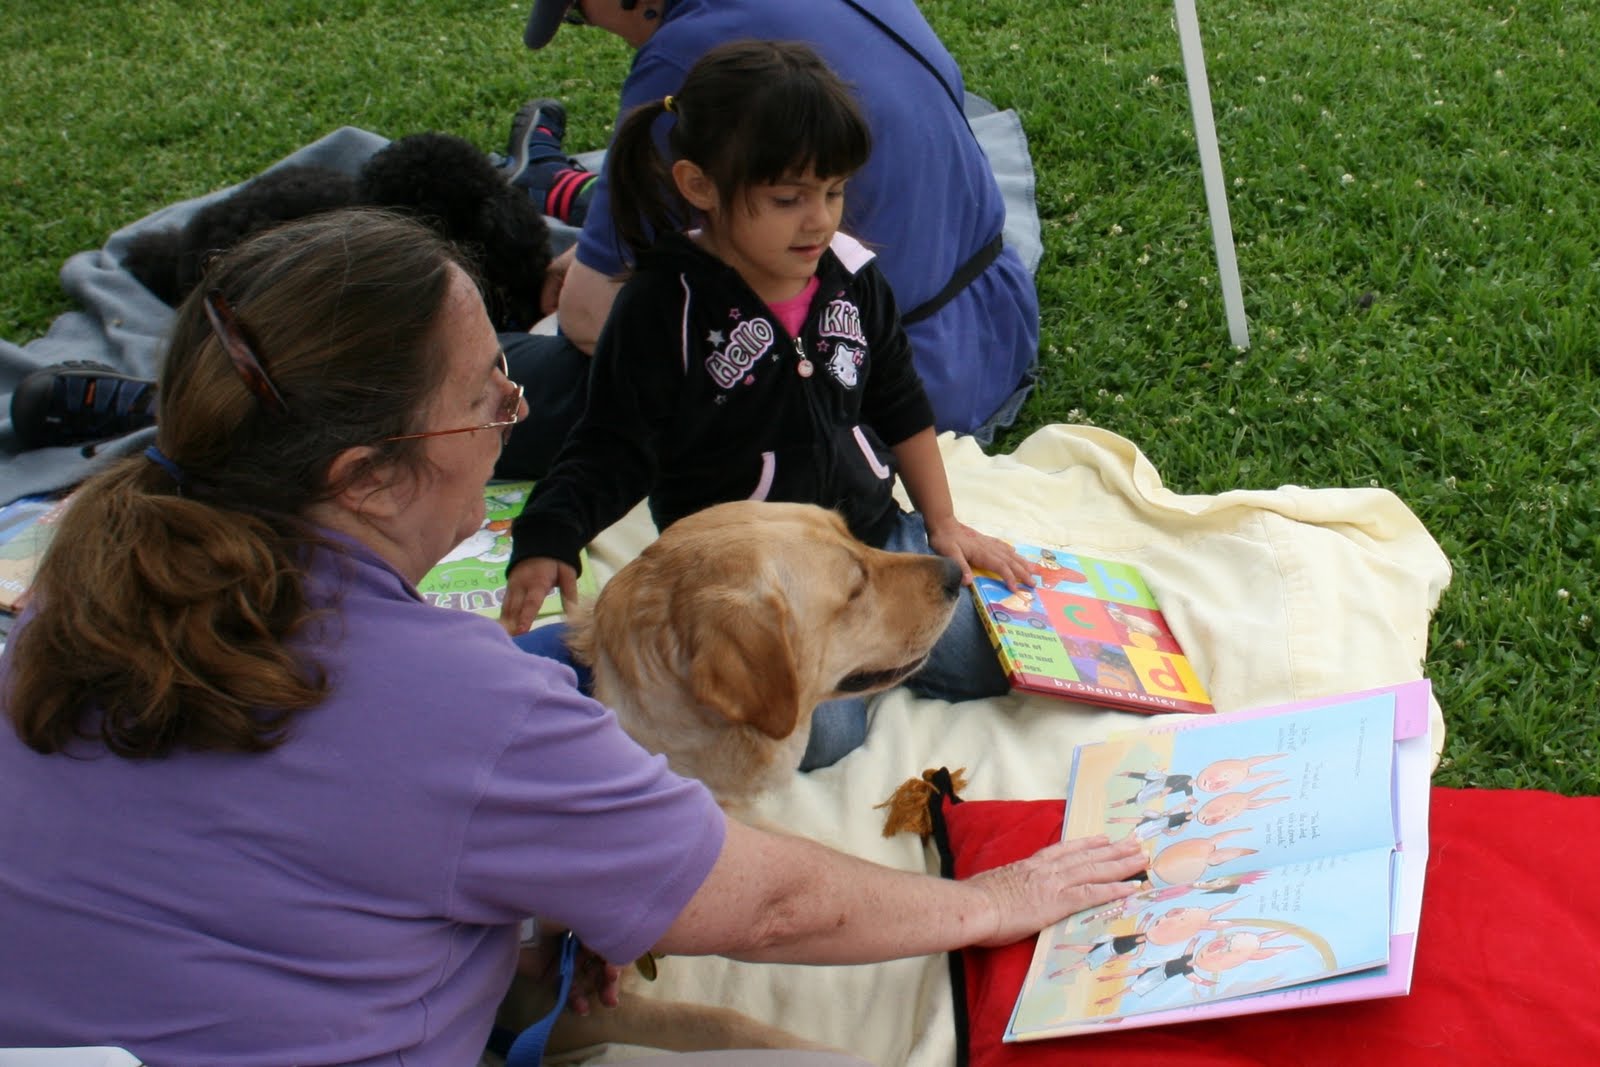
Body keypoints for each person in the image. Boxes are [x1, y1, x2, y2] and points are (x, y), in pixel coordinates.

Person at [0, 208, 1144, 1066]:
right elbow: (771, 904)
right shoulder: (462, 706)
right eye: (489, 396)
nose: (514, 414)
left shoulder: (70, 599)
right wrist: (996, 901)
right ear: (365, 477)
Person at [499, 41, 1033, 773]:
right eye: (789, 199)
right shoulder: (662, 307)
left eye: (834, 192)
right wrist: (550, 534)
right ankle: (858, 667)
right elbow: (609, 446)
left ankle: (874, 653)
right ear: (700, 185)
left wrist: (942, 524)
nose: (819, 221)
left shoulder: (853, 276)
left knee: (995, 658)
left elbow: (901, 401)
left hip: (866, 541)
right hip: (756, 591)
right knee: (816, 740)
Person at [492, 0, 1042, 481]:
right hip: (997, 322)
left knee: (495, 380)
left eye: (577, 13)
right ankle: (555, 186)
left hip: (870, 388)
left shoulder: (688, 57)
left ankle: (548, 191)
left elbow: (587, 317)